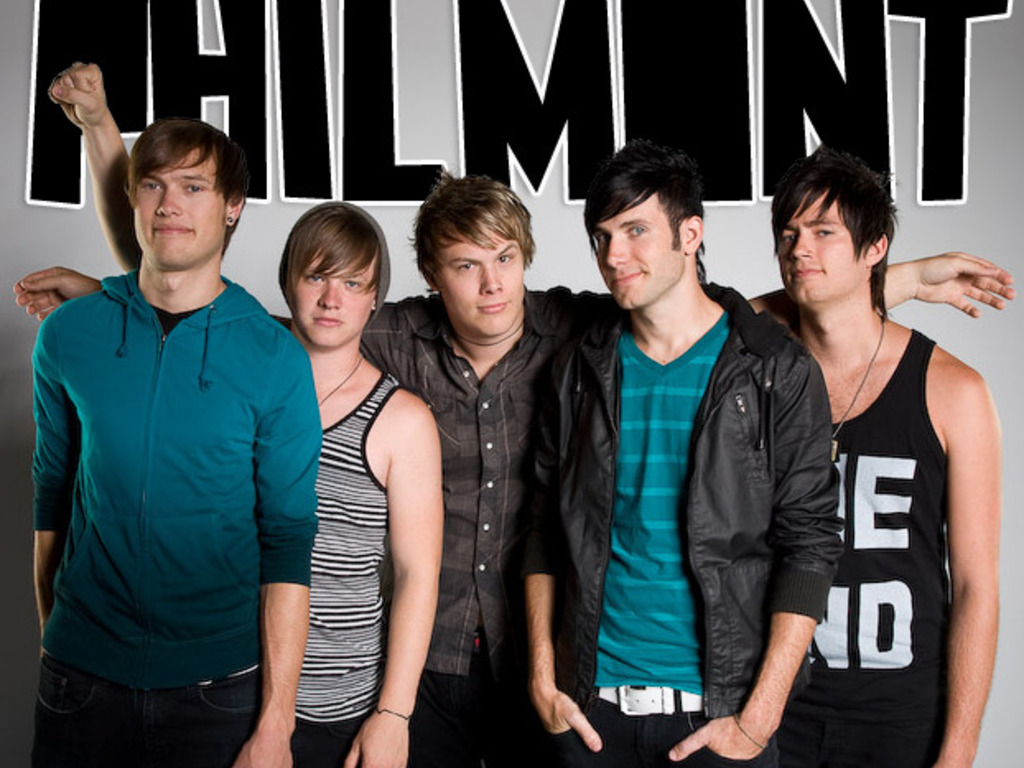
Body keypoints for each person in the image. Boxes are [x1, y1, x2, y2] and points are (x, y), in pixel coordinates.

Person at [17, 62, 1013, 768]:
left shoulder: (577, 327)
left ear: (528, 262)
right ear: (432, 276)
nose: (490, 285)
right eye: (465, 265)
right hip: (437, 668)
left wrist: (893, 278)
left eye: (505, 260)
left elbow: (708, 311)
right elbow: (211, 293)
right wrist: (113, 291)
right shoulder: (394, 333)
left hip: (556, 665)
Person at [523, 139, 843, 767]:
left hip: (719, 718)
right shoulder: (579, 370)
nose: (614, 256)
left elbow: (809, 545)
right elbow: (542, 532)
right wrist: (542, 679)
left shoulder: (775, 370)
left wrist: (758, 718)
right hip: (589, 716)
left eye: (636, 230)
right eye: (602, 237)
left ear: (689, 234)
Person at [29, 116, 321, 768]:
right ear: (132, 199)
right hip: (80, 681)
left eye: (193, 186)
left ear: (232, 206)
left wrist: (277, 725)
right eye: (152, 184)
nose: (169, 204)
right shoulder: (68, 335)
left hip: (219, 692)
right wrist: (58, 637)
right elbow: (51, 493)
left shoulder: (274, 357)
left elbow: (288, 544)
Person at [767, 148, 1001, 768]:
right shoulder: (757, 371)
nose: (799, 248)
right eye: (788, 233)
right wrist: (908, 278)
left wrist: (959, 751)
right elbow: (710, 321)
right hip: (772, 707)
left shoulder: (955, 392)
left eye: (823, 232)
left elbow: (976, 586)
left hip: (899, 716)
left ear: (875, 247)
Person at [277, 203, 443, 768]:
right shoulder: (248, 389)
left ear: (375, 298)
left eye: (352, 283)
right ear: (289, 282)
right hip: (229, 691)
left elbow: (418, 576)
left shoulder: (403, 420)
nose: (332, 299)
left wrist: (394, 714)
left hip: (338, 704)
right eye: (316, 277)